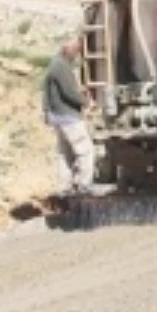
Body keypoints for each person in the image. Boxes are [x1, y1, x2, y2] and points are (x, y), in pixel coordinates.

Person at [42, 36, 96, 195]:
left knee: (65, 153)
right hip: (68, 116)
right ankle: (84, 185)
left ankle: (64, 188)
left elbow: (53, 92)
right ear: (70, 51)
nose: (77, 55)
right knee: (85, 150)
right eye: (76, 51)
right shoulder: (61, 67)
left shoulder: (55, 64)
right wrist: (88, 103)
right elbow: (69, 93)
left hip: (57, 116)